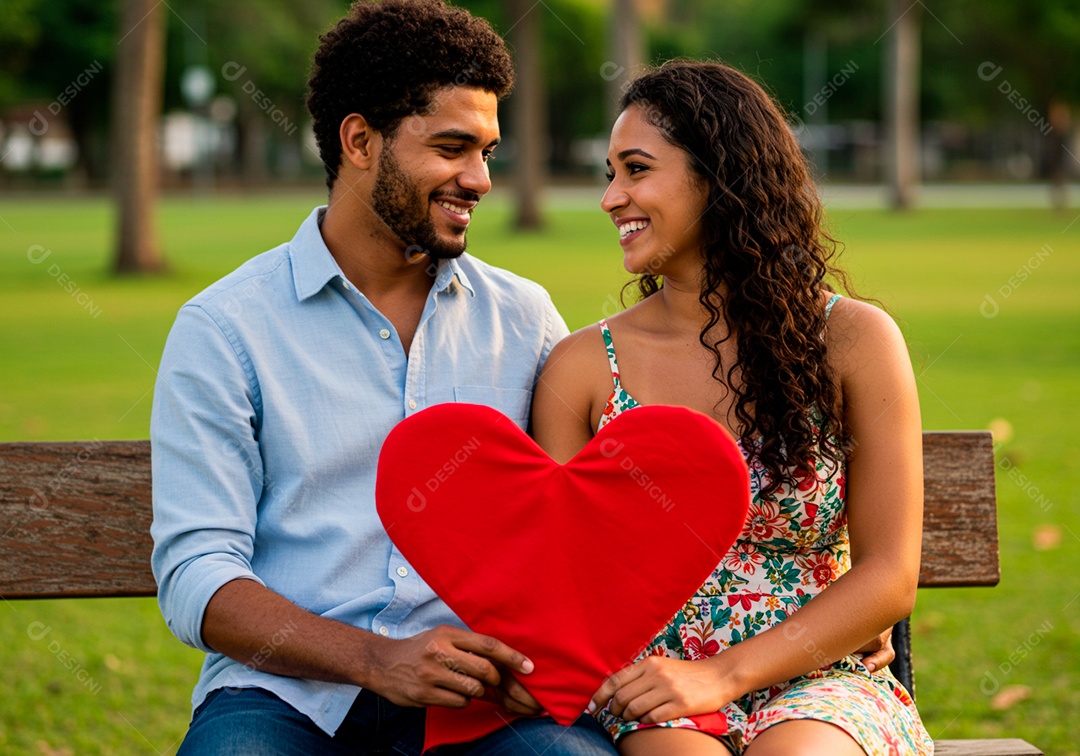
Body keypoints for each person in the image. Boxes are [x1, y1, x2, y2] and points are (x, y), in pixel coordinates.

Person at [150, 1, 614, 753]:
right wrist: (377, 661)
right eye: (453, 148)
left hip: (479, 704)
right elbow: (197, 574)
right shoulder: (226, 328)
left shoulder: (523, 319)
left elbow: (577, 519)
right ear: (360, 141)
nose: (480, 179)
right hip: (282, 698)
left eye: (488, 152)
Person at [531, 60, 933, 755]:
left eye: (636, 169)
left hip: (819, 674)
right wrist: (648, 680)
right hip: (652, 684)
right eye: (610, 174)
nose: (610, 198)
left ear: (719, 176)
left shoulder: (854, 341)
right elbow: (561, 582)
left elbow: (889, 576)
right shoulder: (584, 367)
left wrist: (723, 675)